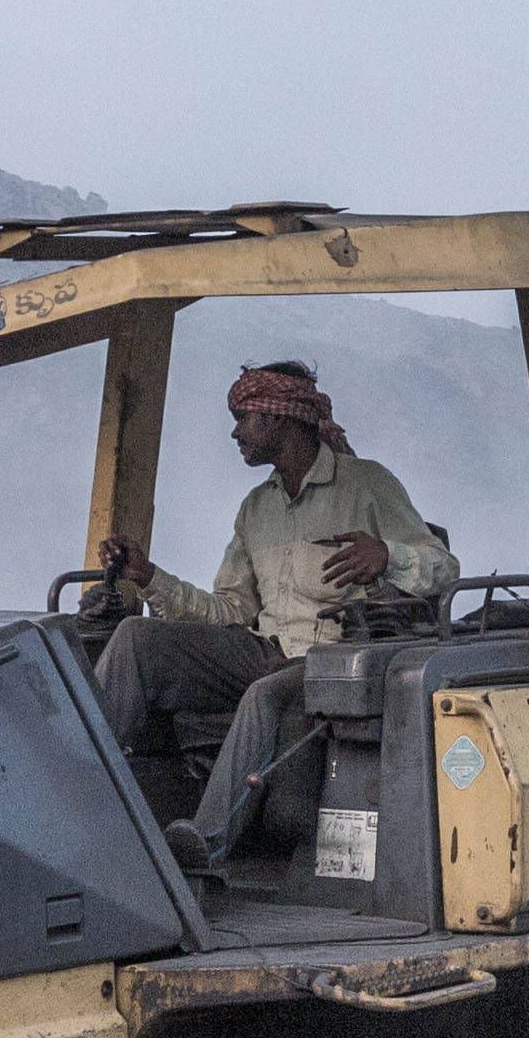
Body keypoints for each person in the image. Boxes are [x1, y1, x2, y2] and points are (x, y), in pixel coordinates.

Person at [89, 359, 457, 851]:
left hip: (334, 662)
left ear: (280, 417)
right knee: (137, 637)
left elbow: (443, 567)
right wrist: (147, 576)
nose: (236, 433)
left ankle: (205, 841)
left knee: (264, 695)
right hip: (264, 648)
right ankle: (76, 790)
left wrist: (387, 555)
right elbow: (230, 611)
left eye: (245, 417)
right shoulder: (256, 508)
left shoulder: (366, 484)